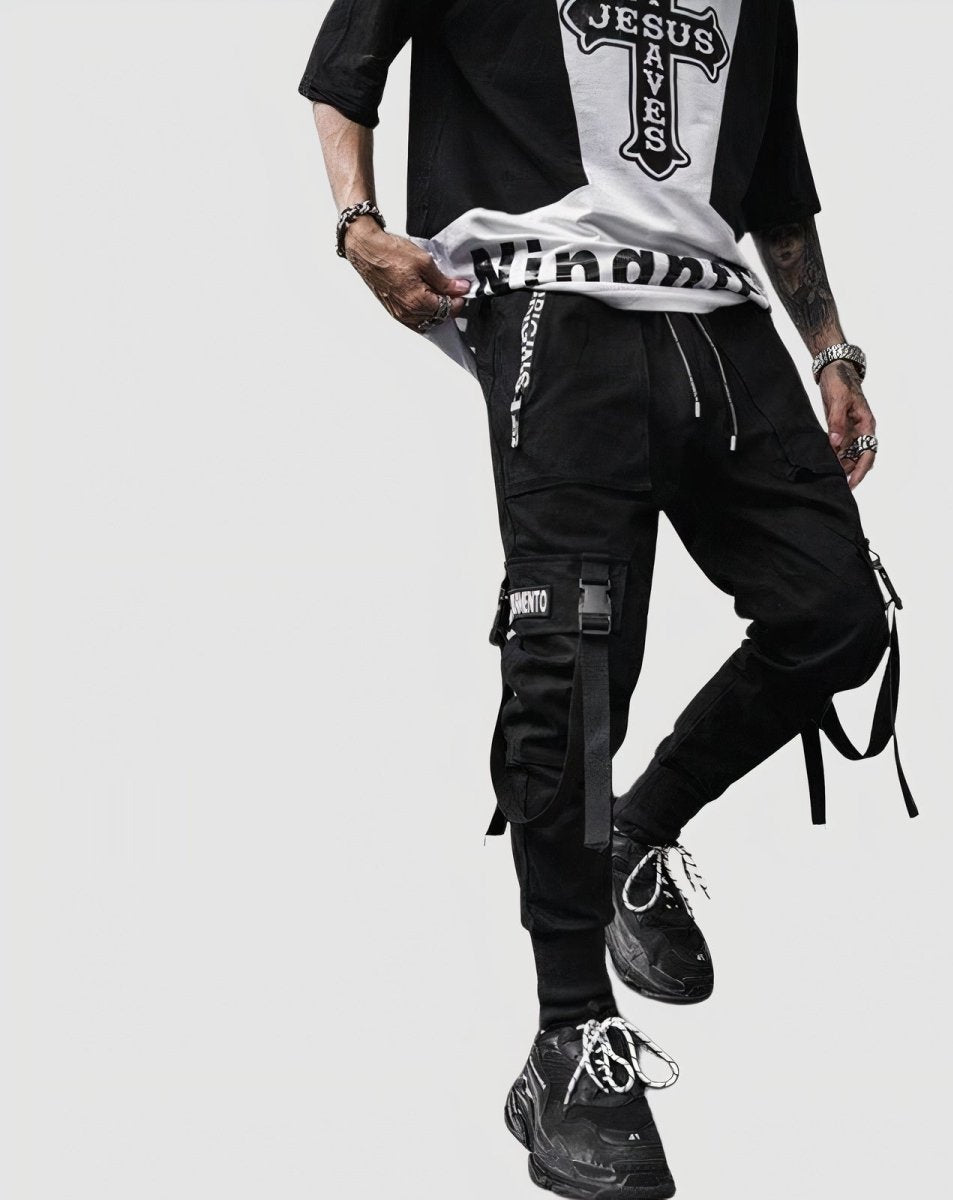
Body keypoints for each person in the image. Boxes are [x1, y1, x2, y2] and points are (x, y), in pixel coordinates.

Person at [299, 2, 916, 1195]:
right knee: (570, 666)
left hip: (721, 320)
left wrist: (831, 349)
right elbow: (346, 64)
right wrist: (356, 226)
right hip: (550, 302)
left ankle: (643, 823)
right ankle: (570, 1037)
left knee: (837, 611)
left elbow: (773, 178)